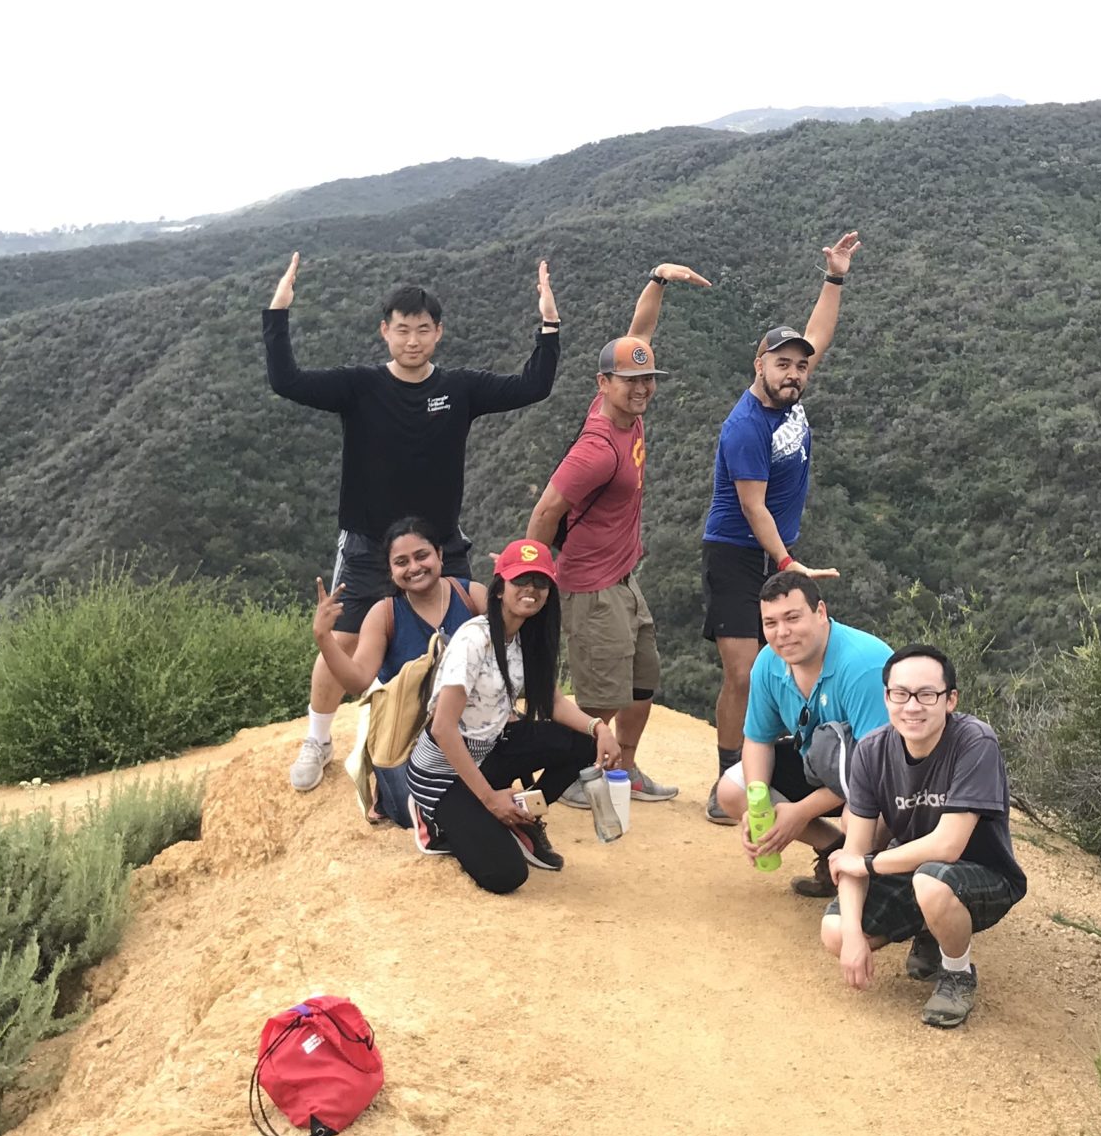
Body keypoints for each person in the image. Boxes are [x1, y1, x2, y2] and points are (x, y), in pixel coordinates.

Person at [264, 250, 561, 790]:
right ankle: (318, 739)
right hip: (367, 543)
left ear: (438, 333)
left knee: (476, 636)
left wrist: (548, 324)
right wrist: (278, 313)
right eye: (402, 331)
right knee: (346, 639)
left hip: (440, 545)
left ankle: (484, 732)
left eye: (422, 331)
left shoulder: (460, 389)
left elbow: (532, 386)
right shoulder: (361, 387)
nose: (412, 341)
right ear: (385, 332)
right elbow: (287, 380)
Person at [525, 262, 709, 804]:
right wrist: (533, 572)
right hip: (590, 585)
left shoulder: (628, 410)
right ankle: (566, 778)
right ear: (603, 384)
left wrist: (657, 278)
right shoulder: (597, 448)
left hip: (625, 577)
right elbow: (547, 509)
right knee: (599, 698)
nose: (642, 388)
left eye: (647, 378)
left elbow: (639, 333)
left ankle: (622, 770)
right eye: (629, 380)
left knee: (641, 685)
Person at [700, 231, 861, 820]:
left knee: (791, 657)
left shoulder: (791, 397)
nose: (793, 373)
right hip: (737, 554)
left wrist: (835, 276)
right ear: (758, 364)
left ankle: (778, 764)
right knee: (745, 670)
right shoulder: (745, 426)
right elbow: (753, 509)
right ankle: (728, 781)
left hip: (775, 552)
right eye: (781, 364)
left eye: (798, 366)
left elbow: (818, 335)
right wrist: (788, 564)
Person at [820, 644, 1028, 1029]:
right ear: (886, 697)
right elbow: (855, 847)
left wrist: (867, 864)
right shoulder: (872, 751)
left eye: (926, 695)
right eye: (900, 694)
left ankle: (957, 973)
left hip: (985, 874)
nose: (912, 706)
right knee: (835, 930)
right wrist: (851, 936)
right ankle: (930, 929)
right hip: (917, 871)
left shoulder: (974, 742)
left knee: (931, 880)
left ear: (950, 700)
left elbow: (947, 846)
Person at [404, 540, 619, 894]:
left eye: (540, 583)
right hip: (442, 774)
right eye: (521, 581)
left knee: (582, 745)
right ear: (500, 586)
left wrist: (599, 728)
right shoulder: (475, 640)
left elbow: (550, 700)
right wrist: (490, 799)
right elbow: (443, 728)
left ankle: (525, 816)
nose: (531, 590)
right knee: (506, 876)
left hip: (487, 750)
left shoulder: (524, 638)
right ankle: (436, 821)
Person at [711, 572, 893, 898]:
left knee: (859, 820)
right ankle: (833, 850)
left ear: (820, 612)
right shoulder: (768, 663)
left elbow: (876, 771)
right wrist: (757, 806)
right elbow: (758, 740)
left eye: (793, 618)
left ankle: (872, 876)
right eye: (770, 623)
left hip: (881, 778)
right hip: (819, 762)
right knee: (733, 789)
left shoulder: (863, 665)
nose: (782, 633)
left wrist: (801, 812)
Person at [311, 517, 487, 827]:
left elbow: (508, 650)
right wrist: (324, 638)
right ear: (390, 570)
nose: (414, 567)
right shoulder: (385, 614)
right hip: (408, 738)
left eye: (422, 555)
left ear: (440, 555)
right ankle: (388, 795)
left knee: (471, 803)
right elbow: (358, 680)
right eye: (401, 562)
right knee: (423, 817)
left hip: (471, 731)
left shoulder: (471, 596)